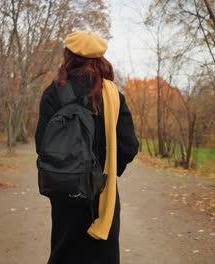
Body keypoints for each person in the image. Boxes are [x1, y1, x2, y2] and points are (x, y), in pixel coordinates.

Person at [35, 31, 139, 264]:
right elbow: (129, 146)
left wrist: (64, 168)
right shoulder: (113, 95)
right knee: (103, 255)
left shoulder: (53, 93)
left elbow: (42, 144)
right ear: (101, 58)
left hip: (65, 188)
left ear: (68, 55)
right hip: (103, 192)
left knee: (64, 252)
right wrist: (108, 171)